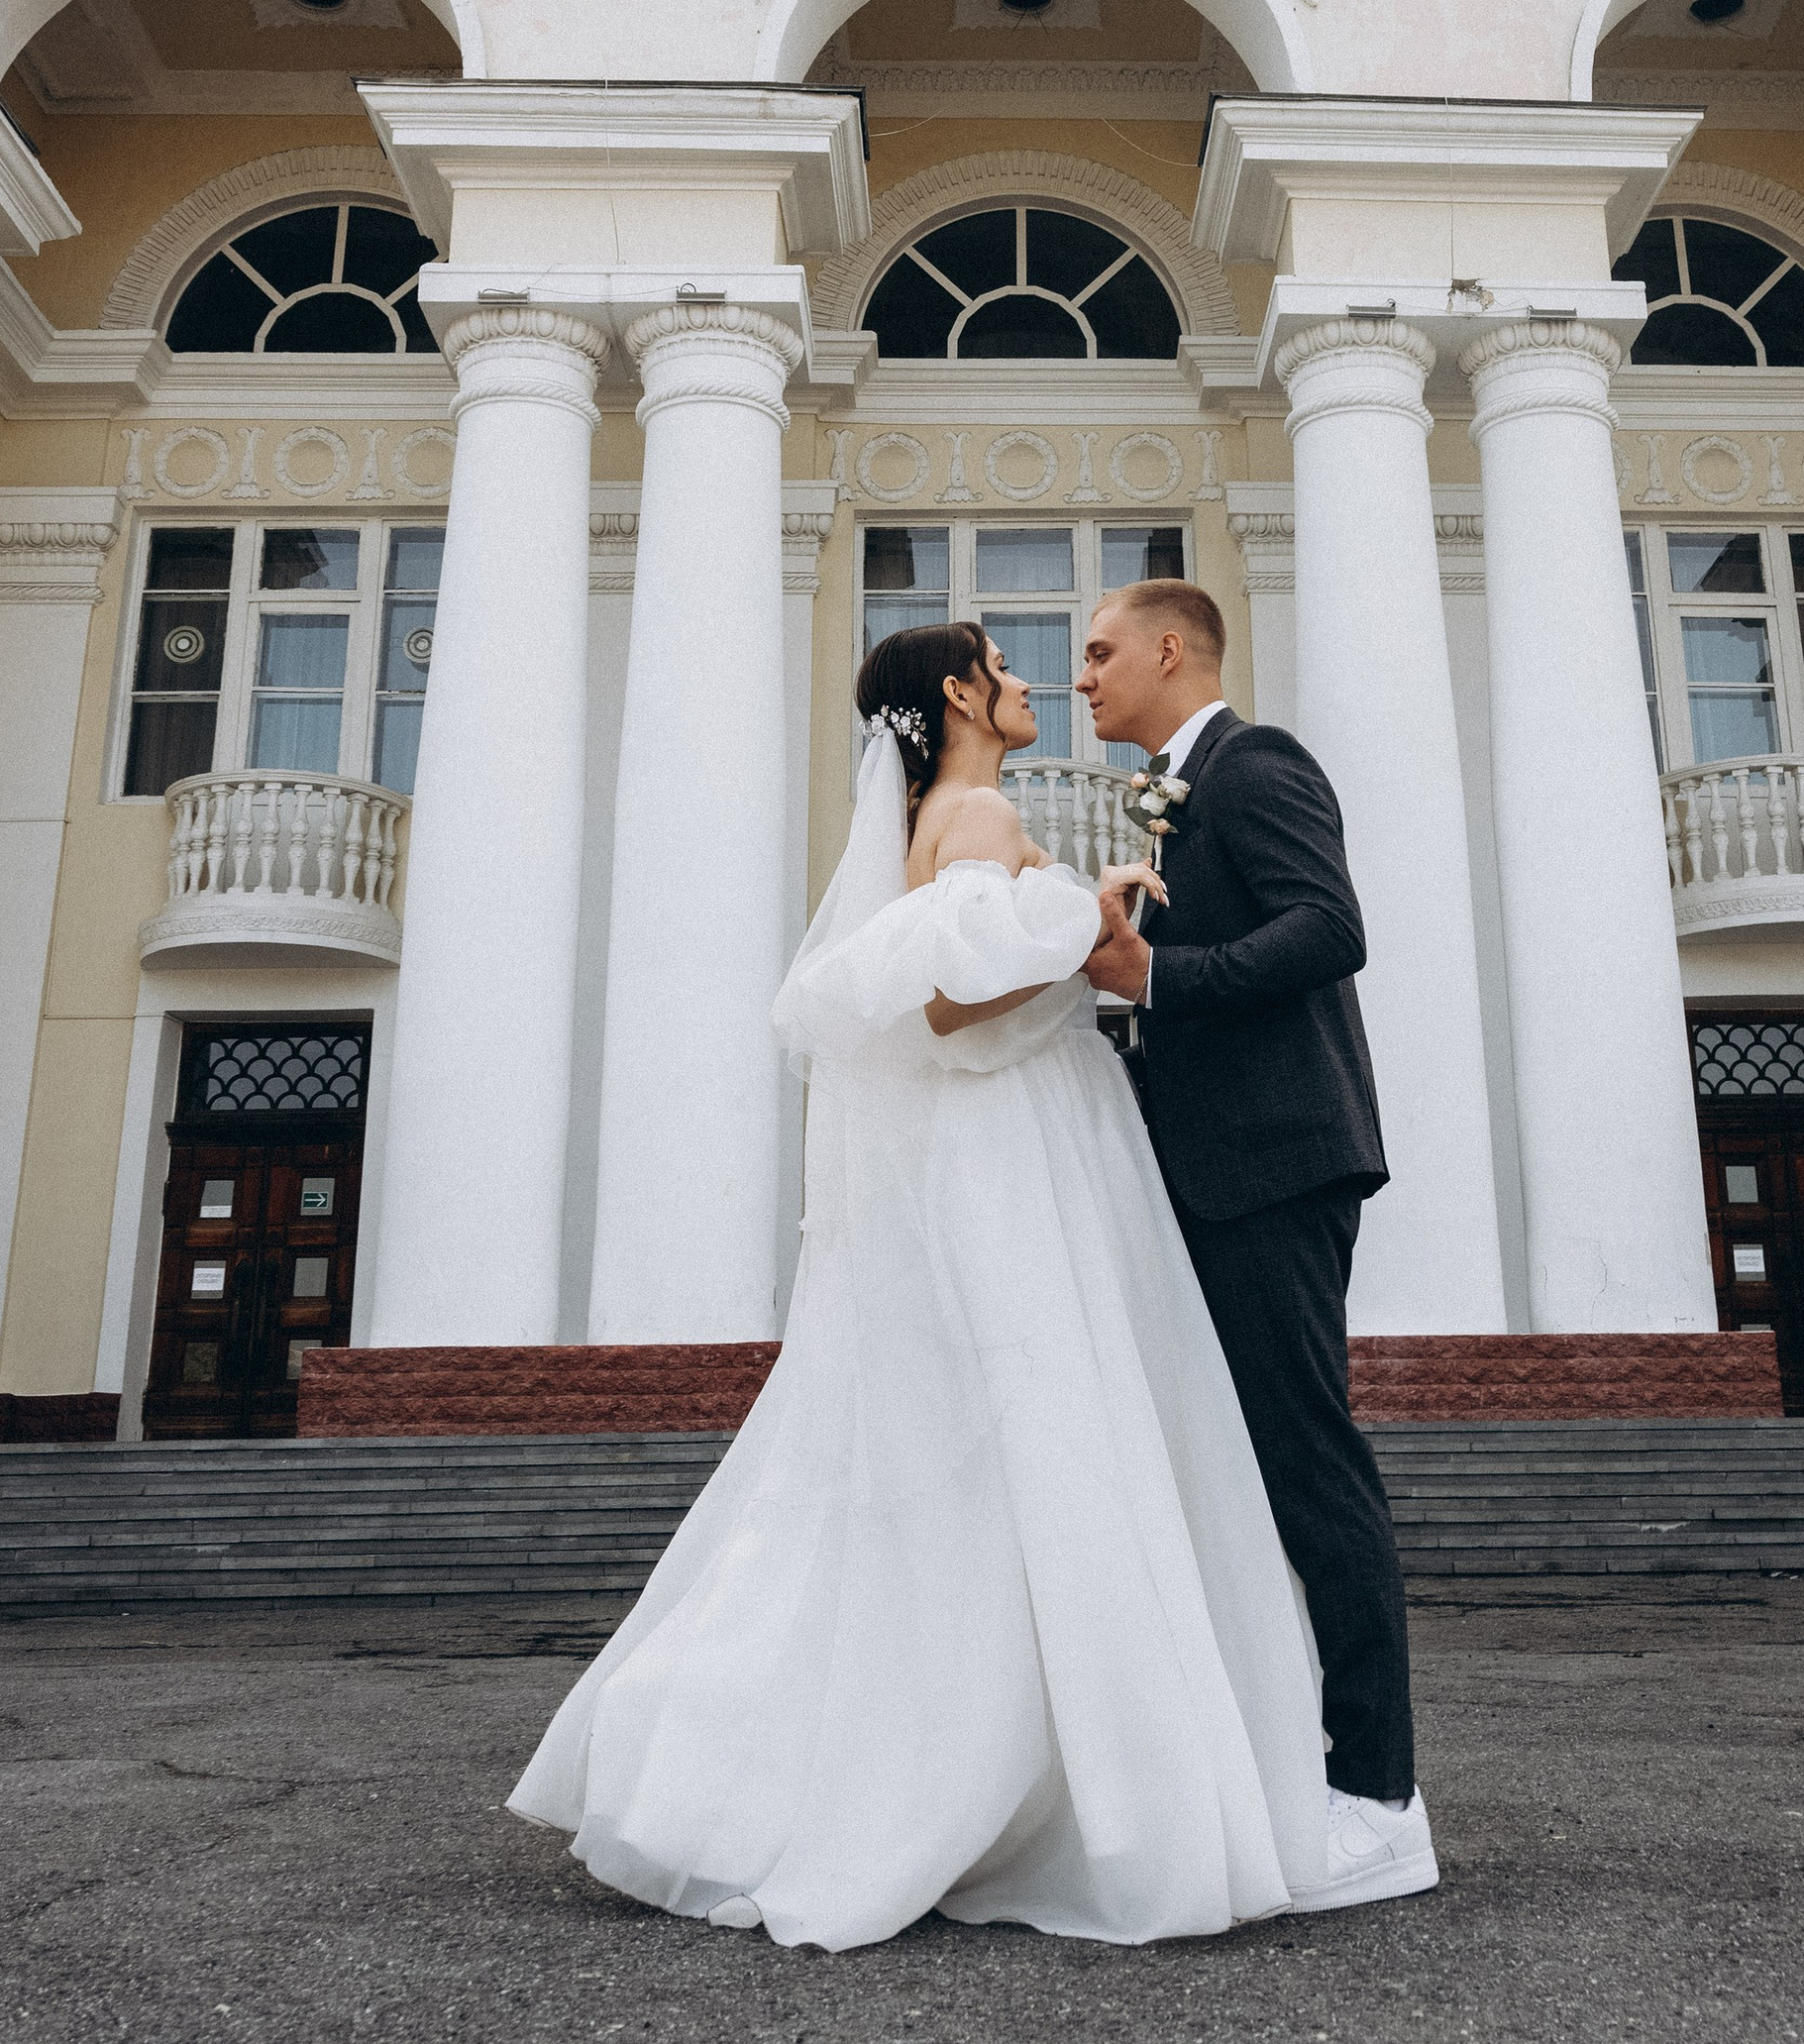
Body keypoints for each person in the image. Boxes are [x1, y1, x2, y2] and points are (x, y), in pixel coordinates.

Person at [508, 617, 1353, 1951]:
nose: (1031, 686)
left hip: (1036, 1141)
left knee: (1015, 1466)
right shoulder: (970, 818)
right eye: (1007, 668)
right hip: (1022, 1156)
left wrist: (1082, 922)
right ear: (960, 692)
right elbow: (954, 1009)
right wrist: (1092, 917)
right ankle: (1048, 1790)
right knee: (1051, 1445)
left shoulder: (953, 816)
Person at [1079, 579, 1434, 1909]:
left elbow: (1328, 929)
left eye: (1103, 651)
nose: (1083, 674)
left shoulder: (1254, 761)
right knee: (1250, 1474)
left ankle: (1380, 1799)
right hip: (1217, 1173)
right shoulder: (1172, 790)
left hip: (1279, 1166)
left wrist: (1156, 981)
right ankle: (1305, 1767)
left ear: (1175, 650)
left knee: (1310, 1467)